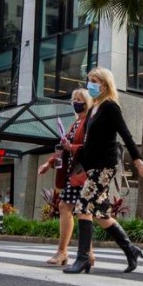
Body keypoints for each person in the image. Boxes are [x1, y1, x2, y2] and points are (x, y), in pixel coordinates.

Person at [64, 67, 143, 274]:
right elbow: (90, 143)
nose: (90, 85)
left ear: (105, 84)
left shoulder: (110, 106)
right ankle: (130, 249)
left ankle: (83, 258)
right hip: (93, 165)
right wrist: (81, 165)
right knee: (101, 214)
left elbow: (125, 134)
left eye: (95, 81)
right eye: (89, 80)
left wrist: (137, 160)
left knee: (83, 206)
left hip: (105, 165)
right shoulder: (94, 108)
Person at [38, 88, 94, 266]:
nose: (75, 102)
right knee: (81, 210)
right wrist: (49, 163)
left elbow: (90, 147)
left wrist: (72, 147)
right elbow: (64, 149)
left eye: (79, 99)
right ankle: (86, 253)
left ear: (87, 102)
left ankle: (64, 252)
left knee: (72, 208)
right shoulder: (76, 123)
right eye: (73, 99)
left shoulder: (89, 122)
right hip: (76, 174)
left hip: (83, 174)